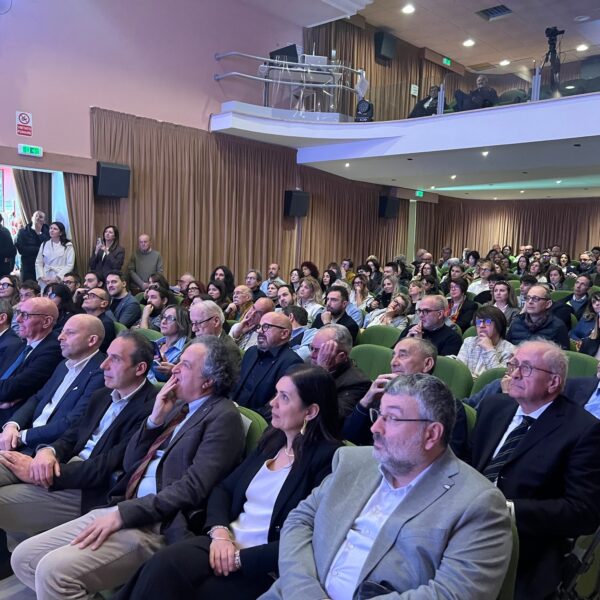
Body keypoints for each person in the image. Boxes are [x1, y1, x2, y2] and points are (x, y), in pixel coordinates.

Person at [10, 336, 246, 599]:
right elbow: (130, 461)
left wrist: (126, 513)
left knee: (53, 572)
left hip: (156, 523)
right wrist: (154, 421)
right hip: (125, 504)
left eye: (186, 365)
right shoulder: (177, 405)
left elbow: (193, 489)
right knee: (24, 558)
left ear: (208, 381)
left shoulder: (223, 417)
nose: (175, 369)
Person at [261, 373, 512, 600]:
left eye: (391, 418)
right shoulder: (353, 462)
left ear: (431, 434)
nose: (375, 428)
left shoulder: (478, 503)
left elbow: (454, 593)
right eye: (378, 414)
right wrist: (303, 589)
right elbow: (300, 520)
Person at [114, 364, 342, 600]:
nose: (272, 403)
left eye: (284, 397)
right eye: (276, 393)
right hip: (224, 543)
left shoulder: (330, 461)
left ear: (310, 411)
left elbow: (310, 537)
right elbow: (223, 490)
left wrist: (239, 558)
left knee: (192, 592)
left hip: (264, 567)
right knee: (161, 565)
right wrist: (220, 533)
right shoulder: (273, 440)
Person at [469, 340, 600, 599]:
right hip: (464, 518)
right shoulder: (494, 407)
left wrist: (506, 509)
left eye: (526, 368)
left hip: (524, 539)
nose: (514, 374)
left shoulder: (583, 431)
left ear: (553, 382)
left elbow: (582, 512)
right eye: (513, 365)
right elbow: (466, 464)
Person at [0, 332, 157, 544]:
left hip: (86, 489)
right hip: (62, 466)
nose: (104, 365)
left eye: (115, 359)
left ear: (139, 368)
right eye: (107, 356)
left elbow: (105, 466)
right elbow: (72, 435)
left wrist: (40, 472)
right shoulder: (103, 394)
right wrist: (49, 451)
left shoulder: (151, 410)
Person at [342, 337, 469, 458]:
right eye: (393, 356)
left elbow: (444, 460)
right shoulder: (381, 395)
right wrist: (366, 400)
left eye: (402, 355)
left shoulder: (448, 406)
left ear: (427, 364)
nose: (393, 362)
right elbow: (348, 436)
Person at [0, 314, 105, 454]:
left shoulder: (101, 373)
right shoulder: (63, 364)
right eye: (62, 331)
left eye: (70, 333)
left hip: (44, 449)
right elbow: (38, 398)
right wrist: (13, 425)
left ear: (92, 340)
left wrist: (21, 436)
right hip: (22, 437)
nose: (60, 337)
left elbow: (73, 421)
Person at [0, 297, 62, 424]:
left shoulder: (54, 349)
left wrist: (7, 394)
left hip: (14, 420)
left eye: (25, 315)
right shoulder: (19, 346)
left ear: (46, 321)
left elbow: (13, 388)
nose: (18, 319)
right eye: (18, 313)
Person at [232, 312, 303, 414]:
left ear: (284, 334)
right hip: (232, 410)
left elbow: (276, 407)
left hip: (257, 419)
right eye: (259, 326)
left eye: (266, 327)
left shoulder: (292, 363)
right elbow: (236, 384)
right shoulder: (251, 352)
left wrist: (245, 416)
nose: (259, 331)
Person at [309, 325, 371, 420]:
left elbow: (334, 418)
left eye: (320, 351)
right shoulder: (309, 364)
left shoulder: (358, 383)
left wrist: (322, 371)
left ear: (341, 356)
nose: (312, 355)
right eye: (311, 348)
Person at [456, 306, 515, 379]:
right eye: (478, 322)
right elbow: (459, 372)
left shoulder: (510, 350)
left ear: (499, 324)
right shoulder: (469, 342)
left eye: (487, 321)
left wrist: (489, 350)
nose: (481, 325)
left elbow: (498, 378)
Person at [506, 285, 570, 349]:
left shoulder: (558, 326)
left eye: (536, 299)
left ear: (548, 304)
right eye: (528, 298)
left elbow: (563, 353)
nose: (530, 302)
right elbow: (507, 348)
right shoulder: (517, 321)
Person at [147, 305, 191, 384]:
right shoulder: (156, 343)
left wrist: (171, 371)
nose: (163, 321)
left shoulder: (187, 349)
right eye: (163, 317)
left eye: (170, 318)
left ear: (181, 324)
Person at [34, 221, 75, 291]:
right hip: (45, 276)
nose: (51, 230)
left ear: (61, 233)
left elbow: (70, 264)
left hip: (60, 276)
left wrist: (57, 278)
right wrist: (42, 276)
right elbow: (38, 262)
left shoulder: (68, 245)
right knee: (44, 295)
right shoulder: (44, 244)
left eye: (55, 229)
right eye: (51, 228)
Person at [15, 210, 49, 283]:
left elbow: (48, 248)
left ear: (44, 221)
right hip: (28, 266)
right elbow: (22, 250)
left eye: (41, 217)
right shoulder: (23, 232)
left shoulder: (48, 231)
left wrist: (39, 233)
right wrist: (39, 249)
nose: (38, 218)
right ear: (32, 218)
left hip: (44, 266)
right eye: (36, 216)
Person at [81, 287, 116, 353]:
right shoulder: (84, 319)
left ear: (103, 303)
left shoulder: (104, 324)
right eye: (87, 295)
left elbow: (94, 350)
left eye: (92, 296)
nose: (85, 297)